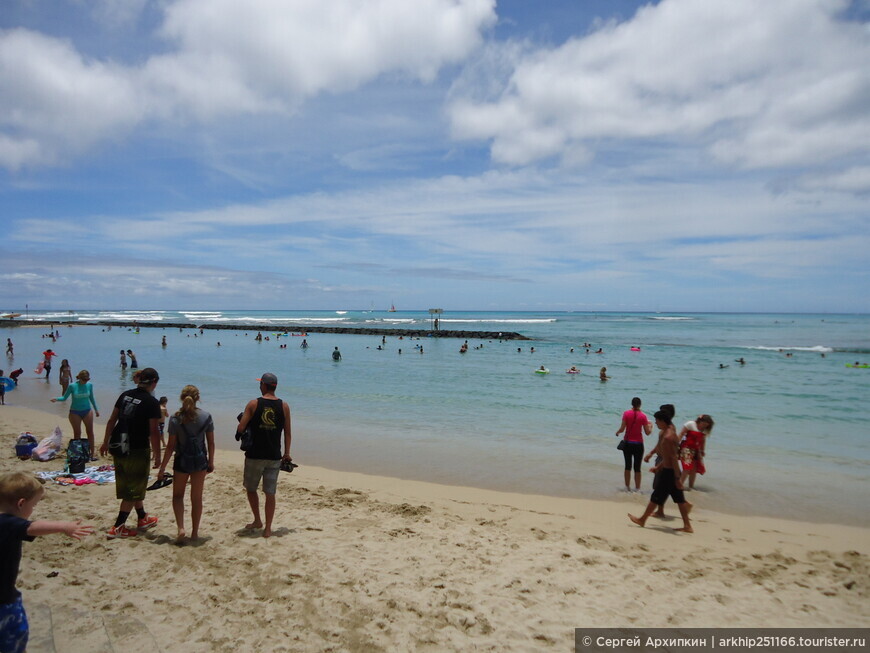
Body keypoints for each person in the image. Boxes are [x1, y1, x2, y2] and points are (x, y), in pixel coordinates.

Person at [0, 471, 93, 652]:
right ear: (21, 504)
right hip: (4, 601)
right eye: (34, 505)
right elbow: (33, 527)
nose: (33, 510)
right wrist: (64, 526)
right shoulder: (8, 523)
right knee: (14, 638)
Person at [99, 367, 161, 539]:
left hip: (118, 444)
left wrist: (105, 442)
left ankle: (142, 518)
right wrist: (158, 454)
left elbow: (112, 420)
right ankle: (118, 526)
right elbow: (154, 431)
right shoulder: (151, 402)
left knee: (133, 484)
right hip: (137, 448)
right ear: (154, 382)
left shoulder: (125, 395)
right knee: (133, 487)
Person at [236, 373, 292, 538]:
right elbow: (288, 433)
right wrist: (287, 454)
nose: (260, 386)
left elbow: (241, 428)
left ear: (264, 386)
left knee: (251, 489)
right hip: (274, 455)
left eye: (261, 384)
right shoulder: (284, 406)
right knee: (270, 493)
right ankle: (268, 529)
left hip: (254, 454)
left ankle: (257, 520)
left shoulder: (253, 404)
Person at [157, 385, 215, 544]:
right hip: (200, 461)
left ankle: (181, 527)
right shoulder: (206, 416)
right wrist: (211, 462)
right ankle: (195, 533)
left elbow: (170, 446)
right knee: (196, 498)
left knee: (178, 496)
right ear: (198, 398)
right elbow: (211, 443)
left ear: (182, 398)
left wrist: (162, 468)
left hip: (181, 461)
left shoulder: (175, 419)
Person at [629, 410, 693, 533]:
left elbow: (673, 457)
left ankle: (642, 520)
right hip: (671, 470)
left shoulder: (669, 437)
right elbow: (670, 456)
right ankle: (687, 526)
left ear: (662, 421)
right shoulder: (670, 433)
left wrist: (676, 478)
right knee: (679, 500)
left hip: (670, 473)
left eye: (657, 421)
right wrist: (658, 467)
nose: (656, 423)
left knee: (656, 497)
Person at [51, 370, 100, 459]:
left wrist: (96, 410)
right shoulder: (72, 386)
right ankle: (78, 454)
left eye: (87, 379)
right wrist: (56, 399)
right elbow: (64, 398)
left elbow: (92, 398)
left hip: (87, 410)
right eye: (84, 379)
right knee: (77, 433)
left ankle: (92, 454)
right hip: (75, 412)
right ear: (80, 378)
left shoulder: (89, 385)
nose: (86, 381)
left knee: (90, 432)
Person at [615, 397, 652, 492]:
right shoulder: (643, 416)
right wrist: (651, 426)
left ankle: (627, 487)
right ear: (640, 404)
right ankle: (637, 489)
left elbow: (622, 428)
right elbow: (647, 433)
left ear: (631, 404)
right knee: (637, 468)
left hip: (627, 443)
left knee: (628, 466)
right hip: (638, 444)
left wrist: (618, 432)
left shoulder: (626, 413)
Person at [679, 415, 715, 490]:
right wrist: (676, 445)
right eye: (704, 424)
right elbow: (681, 434)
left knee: (694, 470)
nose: (704, 426)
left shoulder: (704, 430)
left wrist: (702, 451)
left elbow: (702, 441)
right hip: (686, 448)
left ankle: (691, 487)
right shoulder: (690, 424)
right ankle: (679, 484)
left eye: (706, 425)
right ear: (700, 421)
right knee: (687, 467)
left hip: (696, 450)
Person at [157, 396, 169, 466]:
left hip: (156, 422)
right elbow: (167, 415)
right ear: (165, 402)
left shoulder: (157, 407)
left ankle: (164, 443)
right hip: (161, 423)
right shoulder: (164, 408)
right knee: (161, 433)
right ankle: (163, 444)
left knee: (161, 433)